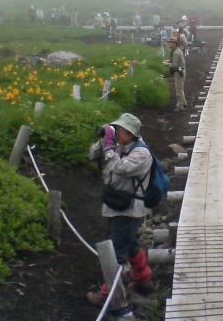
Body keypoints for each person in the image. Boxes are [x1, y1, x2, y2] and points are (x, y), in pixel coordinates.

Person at [86, 113, 154, 307]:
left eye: (119, 130)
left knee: (118, 251)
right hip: (117, 204)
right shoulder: (120, 146)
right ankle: (143, 279)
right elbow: (93, 156)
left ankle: (109, 295)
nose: (116, 133)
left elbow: (121, 168)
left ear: (131, 133)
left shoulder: (142, 153)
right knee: (131, 243)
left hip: (129, 209)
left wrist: (109, 149)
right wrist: (104, 140)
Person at [164, 37, 187, 111]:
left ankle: (180, 106)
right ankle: (184, 103)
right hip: (181, 70)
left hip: (179, 72)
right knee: (180, 88)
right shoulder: (178, 50)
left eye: (170, 42)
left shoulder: (176, 53)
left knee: (178, 90)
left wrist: (167, 64)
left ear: (174, 44)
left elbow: (175, 65)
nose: (168, 43)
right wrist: (168, 61)